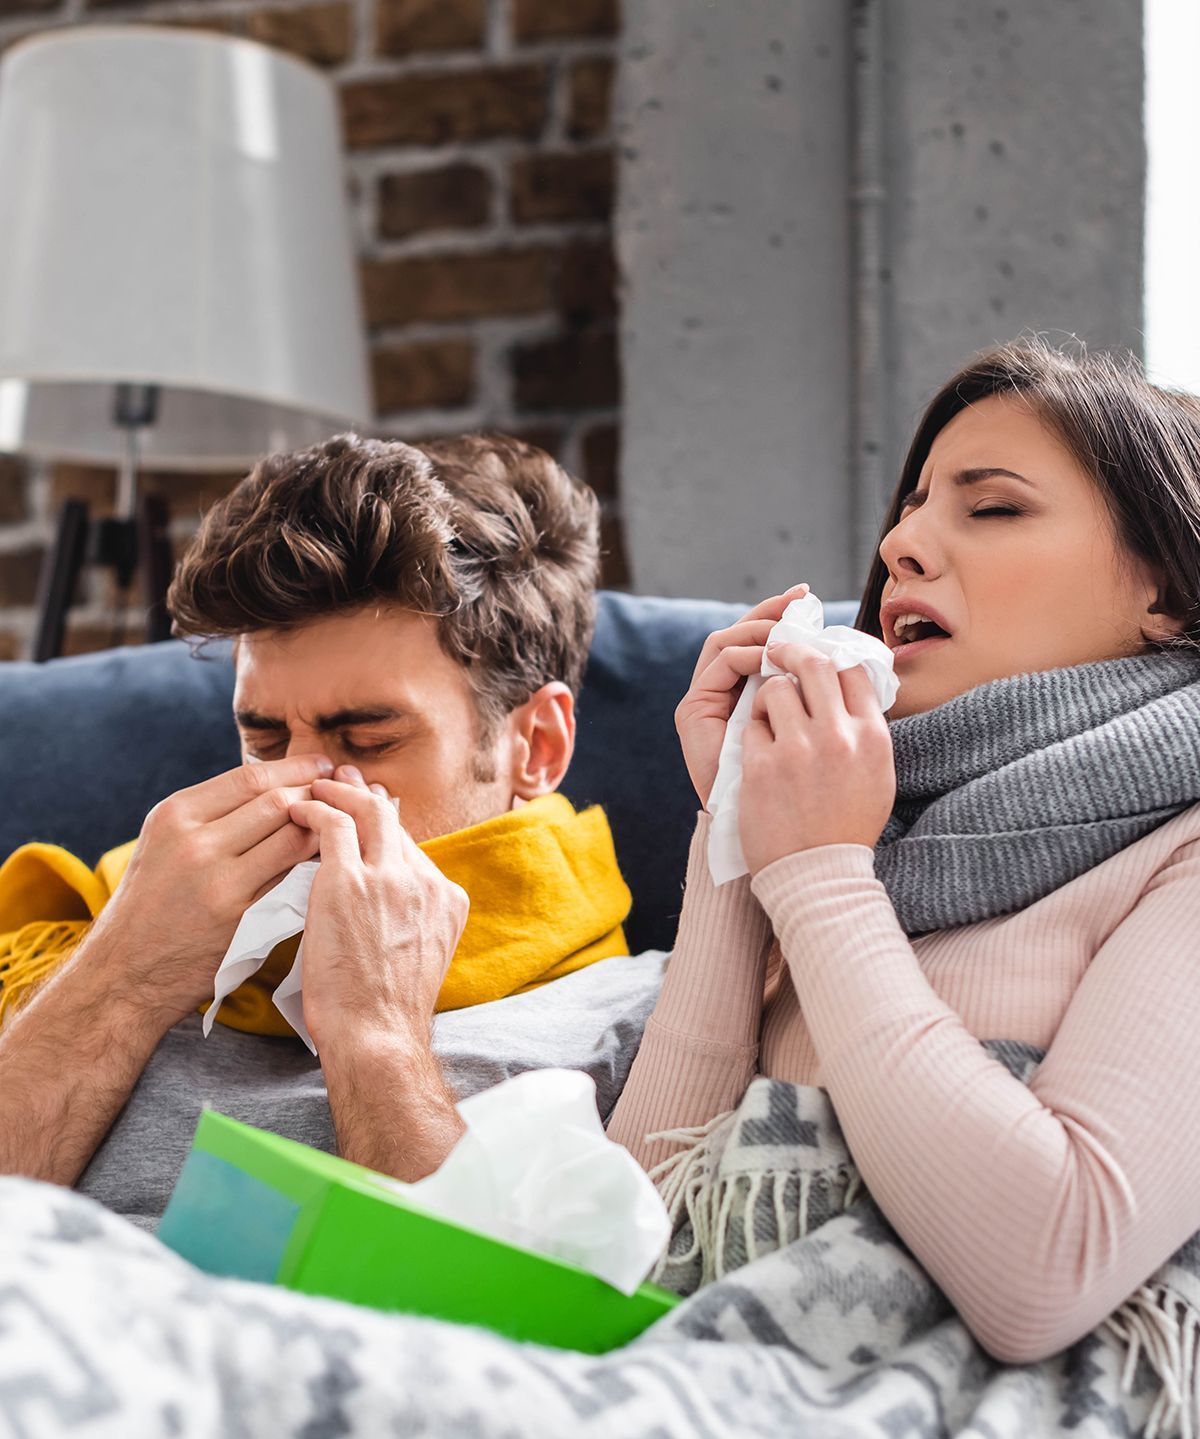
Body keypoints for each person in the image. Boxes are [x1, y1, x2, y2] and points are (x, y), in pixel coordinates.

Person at [608, 337, 1200, 1364]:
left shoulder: (1177, 854)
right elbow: (626, 1247)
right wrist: (739, 832)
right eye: (910, 508)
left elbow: (1044, 1272)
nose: (903, 546)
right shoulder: (849, 835)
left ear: (1169, 594)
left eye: (994, 507)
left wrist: (821, 878)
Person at [0, 432, 656, 1226]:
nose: (296, 794)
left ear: (536, 745)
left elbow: (490, 1330)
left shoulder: (638, 1020)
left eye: (369, 741)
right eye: (264, 740)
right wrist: (125, 975)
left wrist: (375, 1039)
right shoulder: (100, 939)